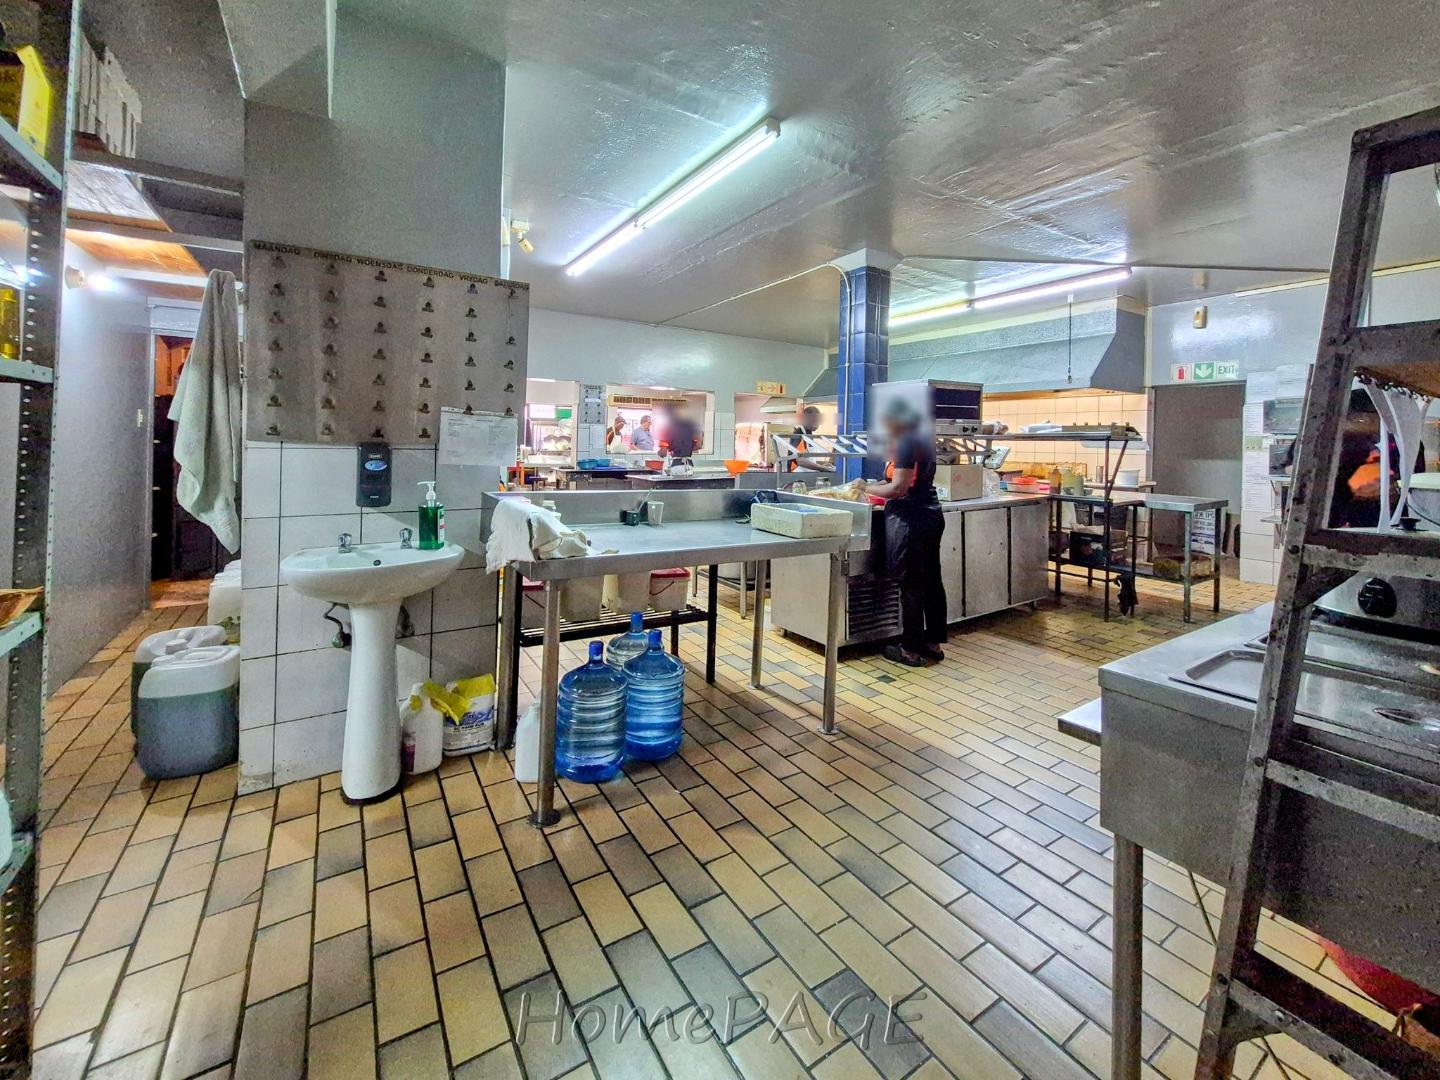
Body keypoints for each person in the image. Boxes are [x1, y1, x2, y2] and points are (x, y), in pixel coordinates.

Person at [863, 397, 946, 666]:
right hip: (931, 514)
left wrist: (864, 488)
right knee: (931, 579)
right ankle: (932, 643)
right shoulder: (923, 439)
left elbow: (899, 488)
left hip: (910, 518)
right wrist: (880, 485)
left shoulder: (906, 442)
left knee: (910, 583)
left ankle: (909, 649)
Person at [788, 404, 835, 473]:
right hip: (797, 476)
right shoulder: (799, 433)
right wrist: (822, 468)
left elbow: (808, 459)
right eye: (813, 420)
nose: (816, 423)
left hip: (808, 474)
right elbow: (800, 460)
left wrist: (822, 466)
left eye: (817, 420)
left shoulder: (809, 434)